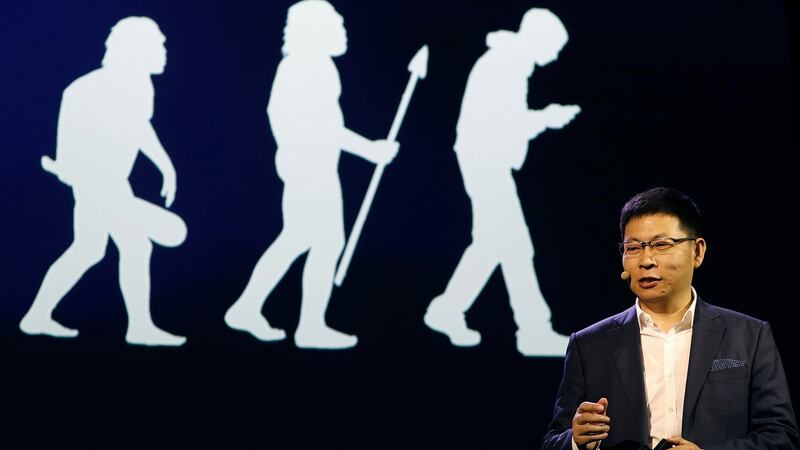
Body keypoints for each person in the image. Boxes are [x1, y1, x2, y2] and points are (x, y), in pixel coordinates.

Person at [542, 187, 798, 449]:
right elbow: (553, 441)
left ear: (697, 252)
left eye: (661, 245)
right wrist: (575, 440)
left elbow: (781, 437)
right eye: (633, 248)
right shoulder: (588, 345)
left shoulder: (749, 336)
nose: (646, 260)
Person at [224, 0, 398, 349]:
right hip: (310, 167)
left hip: (310, 164)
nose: (342, 29)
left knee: (303, 239)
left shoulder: (312, 67)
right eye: (336, 24)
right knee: (316, 241)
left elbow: (319, 126)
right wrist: (371, 150)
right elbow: (321, 128)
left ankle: (256, 311)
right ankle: (304, 326)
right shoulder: (306, 68)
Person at [19, 17, 188, 346]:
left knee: (91, 249)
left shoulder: (141, 86)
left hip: (114, 183)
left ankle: (38, 316)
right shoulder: (85, 90)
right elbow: (68, 147)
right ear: (136, 50)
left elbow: (140, 127)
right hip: (95, 182)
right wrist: (72, 172)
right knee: (133, 244)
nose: (165, 51)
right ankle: (139, 327)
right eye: (158, 45)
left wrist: (165, 165)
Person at [424, 8, 580, 356]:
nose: (555, 57)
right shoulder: (505, 65)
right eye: (554, 47)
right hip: (485, 161)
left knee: (493, 245)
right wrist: (546, 118)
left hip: (484, 160)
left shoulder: (508, 63)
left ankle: (447, 310)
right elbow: (505, 123)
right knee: (515, 247)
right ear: (538, 40)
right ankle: (532, 330)